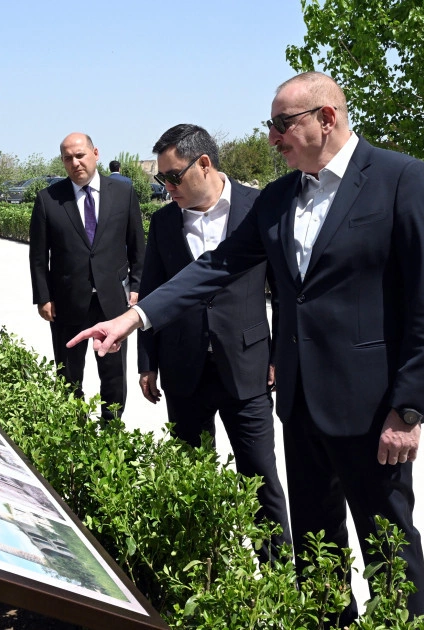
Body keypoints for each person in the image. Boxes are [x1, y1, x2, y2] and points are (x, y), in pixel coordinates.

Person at [68, 72, 424, 624]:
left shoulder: (401, 180)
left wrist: (410, 407)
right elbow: (216, 266)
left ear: (326, 118)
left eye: (282, 125)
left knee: (388, 549)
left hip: (374, 413)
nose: (272, 138)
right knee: (317, 549)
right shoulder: (278, 199)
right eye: (269, 125)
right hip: (300, 408)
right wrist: (133, 318)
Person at [138, 124, 290, 562]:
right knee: (192, 480)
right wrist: (147, 362)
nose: (167, 188)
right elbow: (151, 292)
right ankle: (206, 575)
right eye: (161, 179)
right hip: (183, 369)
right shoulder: (164, 222)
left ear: (204, 164)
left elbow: (283, 291)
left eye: (173, 177)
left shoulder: (259, 207)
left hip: (247, 367)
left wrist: (279, 355)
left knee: (259, 479)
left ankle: (277, 579)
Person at [29, 132, 145, 422]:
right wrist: (43, 297)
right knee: (68, 375)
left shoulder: (123, 193)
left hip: (113, 301)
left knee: (114, 374)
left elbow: (137, 245)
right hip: (67, 303)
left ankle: (111, 432)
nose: (75, 162)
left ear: (95, 153)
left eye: (80, 155)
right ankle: (75, 431)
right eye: (68, 158)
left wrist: (137, 285)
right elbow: (39, 256)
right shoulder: (48, 199)